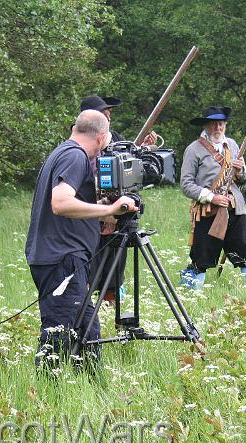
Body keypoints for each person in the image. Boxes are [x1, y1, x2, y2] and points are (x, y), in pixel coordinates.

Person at [25, 109, 138, 370]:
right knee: (59, 334)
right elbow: (61, 203)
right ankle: (46, 394)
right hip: (61, 259)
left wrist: (99, 208)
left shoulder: (61, 152)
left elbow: (69, 206)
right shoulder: (76, 157)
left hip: (60, 256)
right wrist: (109, 210)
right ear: (100, 138)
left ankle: (91, 388)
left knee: (87, 330)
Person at [80, 95, 158, 303]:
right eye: (104, 115)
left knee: (115, 267)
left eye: (108, 115)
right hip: (93, 211)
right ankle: (88, 310)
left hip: (117, 210)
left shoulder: (114, 136)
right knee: (91, 267)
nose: (108, 118)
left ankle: (112, 305)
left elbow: (127, 162)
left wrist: (142, 146)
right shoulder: (81, 145)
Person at [179, 106, 246, 290]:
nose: (218, 128)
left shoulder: (233, 145)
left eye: (221, 124)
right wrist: (211, 197)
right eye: (213, 124)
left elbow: (244, 180)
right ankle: (194, 297)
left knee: (245, 253)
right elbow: (186, 184)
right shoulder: (193, 150)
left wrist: (241, 170)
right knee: (201, 256)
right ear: (206, 126)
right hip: (207, 211)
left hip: (235, 207)